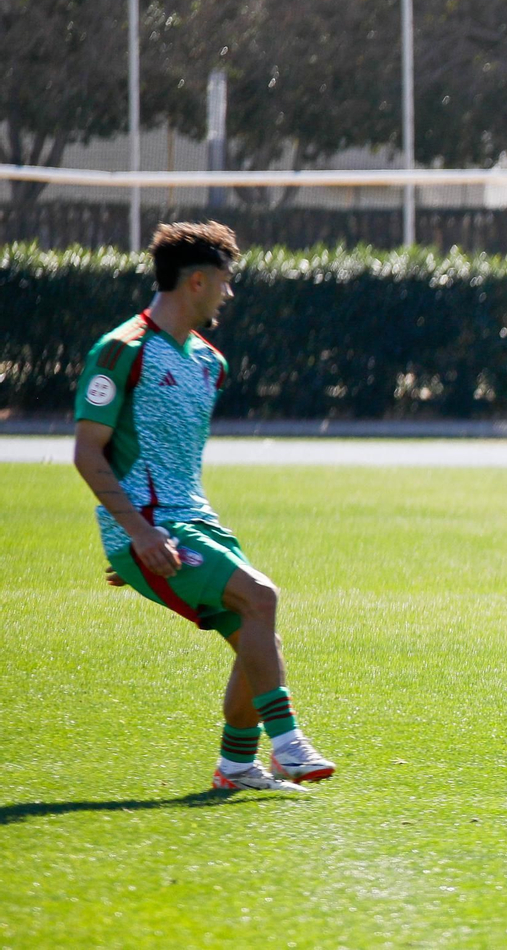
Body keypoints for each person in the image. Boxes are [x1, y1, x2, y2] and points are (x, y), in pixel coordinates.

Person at [73, 222, 335, 793]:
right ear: (196, 281)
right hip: (153, 529)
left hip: (193, 522)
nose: (229, 293)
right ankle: (288, 742)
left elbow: (170, 460)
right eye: (225, 281)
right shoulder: (122, 351)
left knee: (256, 633)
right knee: (261, 597)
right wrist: (136, 534)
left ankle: (237, 767)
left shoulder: (209, 363)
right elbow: (87, 452)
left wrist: (140, 541)